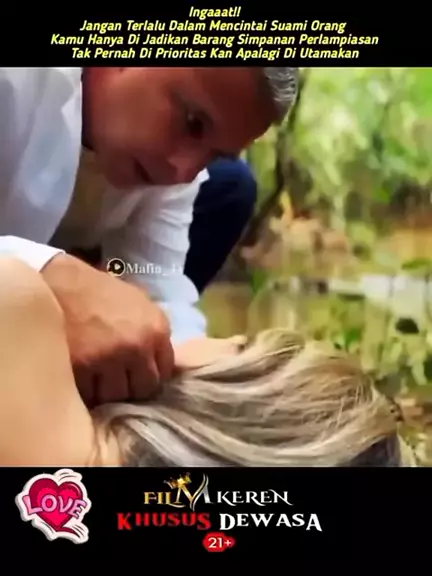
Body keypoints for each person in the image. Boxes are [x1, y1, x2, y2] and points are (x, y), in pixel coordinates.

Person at [0, 67, 298, 407]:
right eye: (193, 123)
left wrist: (194, 357)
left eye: (214, 155)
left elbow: (159, 280)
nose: (183, 171)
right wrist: (52, 278)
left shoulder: (174, 169)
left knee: (233, 186)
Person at [0, 256, 414, 468]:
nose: (222, 337)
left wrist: (58, 277)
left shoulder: (17, 302)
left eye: (242, 345)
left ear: (239, 405)